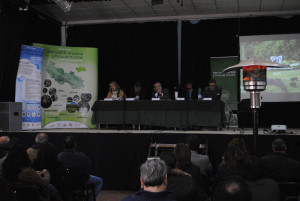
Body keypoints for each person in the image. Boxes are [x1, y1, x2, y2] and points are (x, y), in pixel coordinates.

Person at [58, 135, 103, 201]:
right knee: (99, 181)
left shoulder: (60, 157)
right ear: (75, 144)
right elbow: (89, 164)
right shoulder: (81, 156)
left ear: (64, 145)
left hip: (66, 182)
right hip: (82, 181)